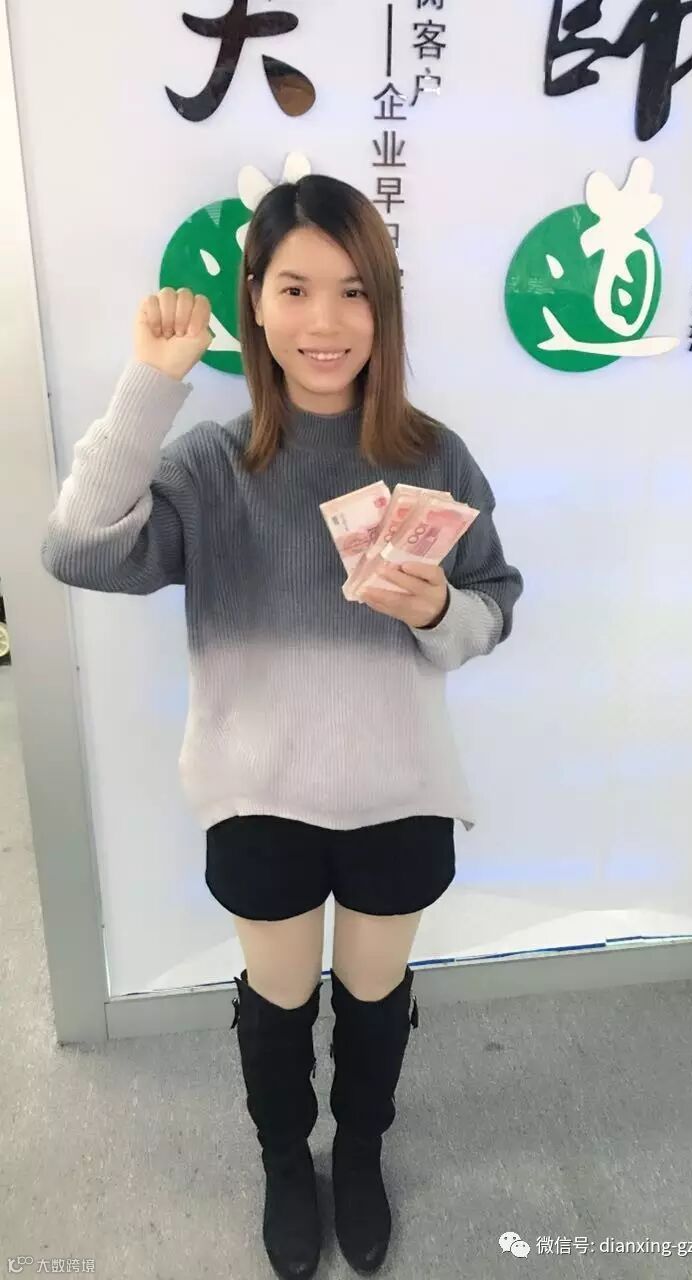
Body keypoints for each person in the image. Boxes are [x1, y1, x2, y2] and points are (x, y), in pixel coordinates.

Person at [41, 173, 524, 1279]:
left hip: (400, 785)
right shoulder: (212, 466)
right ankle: (282, 1159)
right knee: (277, 999)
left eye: (354, 291)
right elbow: (76, 549)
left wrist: (440, 612)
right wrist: (151, 384)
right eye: (296, 288)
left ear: (383, 307)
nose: (325, 321)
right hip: (256, 788)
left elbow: (497, 598)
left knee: (375, 998)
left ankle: (359, 1151)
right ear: (254, 302)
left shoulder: (434, 455)